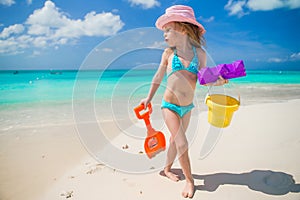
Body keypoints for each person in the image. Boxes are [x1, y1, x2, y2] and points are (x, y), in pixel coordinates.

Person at [140, 5, 228, 198]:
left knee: (174, 141)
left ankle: (167, 169)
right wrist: (148, 98)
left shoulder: (200, 54)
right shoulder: (168, 54)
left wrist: (219, 81)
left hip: (187, 107)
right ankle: (190, 181)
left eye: (168, 30)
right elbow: (157, 76)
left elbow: (205, 79)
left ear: (182, 28)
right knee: (182, 143)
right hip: (169, 106)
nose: (164, 34)